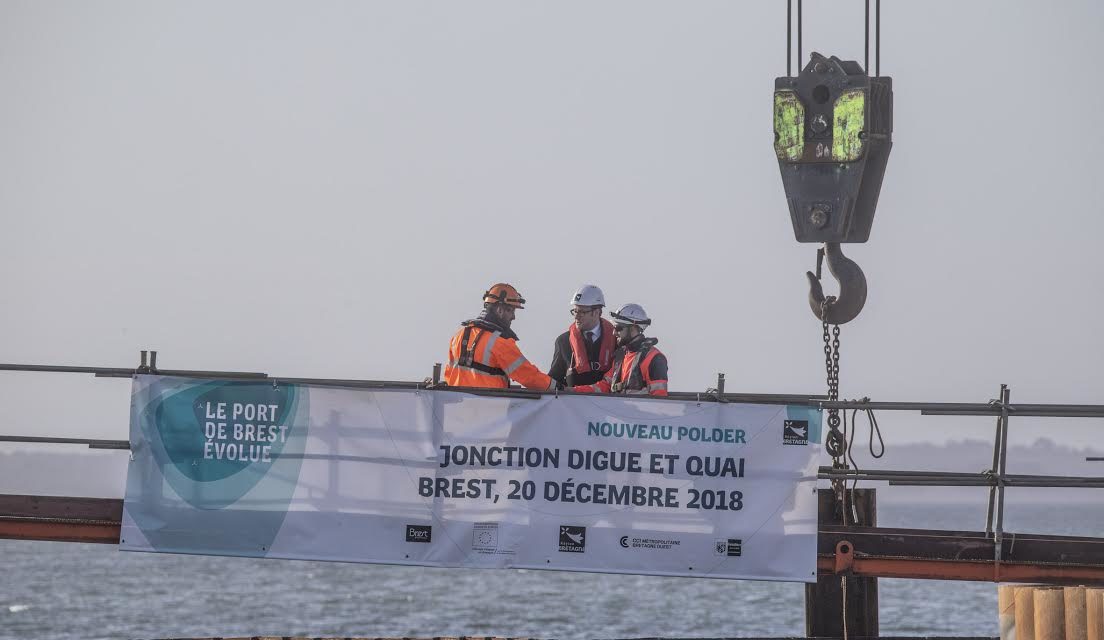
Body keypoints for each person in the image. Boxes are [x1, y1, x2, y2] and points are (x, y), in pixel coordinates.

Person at [445, 283, 557, 390]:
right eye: (511, 310)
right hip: (489, 407)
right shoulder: (499, 342)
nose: (513, 317)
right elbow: (528, 376)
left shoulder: (459, 335)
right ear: (499, 310)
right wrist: (558, 388)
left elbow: (449, 374)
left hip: (458, 407)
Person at [573, 303, 668, 396]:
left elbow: (659, 399)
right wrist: (571, 390)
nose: (614, 333)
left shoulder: (655, 358)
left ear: (633, 328)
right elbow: (603, 386)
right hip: (620, 410)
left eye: (618, 328)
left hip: (639, 411)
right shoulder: (620, 356)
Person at [548, 285, 616, 389]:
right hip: (574, 403)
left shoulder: (617, 340)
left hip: (609, 404)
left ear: (597, 312)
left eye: (582, 312)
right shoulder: (563, 341)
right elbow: (554, 379)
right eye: (575, 311)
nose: (576, 316)